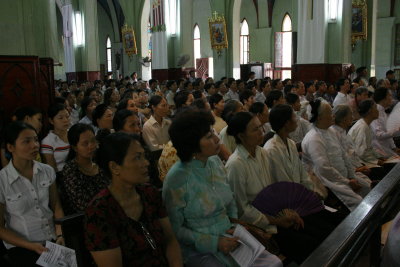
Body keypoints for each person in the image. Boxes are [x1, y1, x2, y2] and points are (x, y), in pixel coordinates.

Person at [163, 110, 281, 267]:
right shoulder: (176, 179)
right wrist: (214, 242)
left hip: (229, 234)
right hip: (199, 247)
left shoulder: (214, 162)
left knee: (274, 263)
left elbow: (230, 200)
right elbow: (175, 230)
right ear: (191, 144)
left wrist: (233, 225)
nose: (217, 139)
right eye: (208, 137)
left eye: (213, 132)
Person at [225, 112, 335, 264]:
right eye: (255, 129)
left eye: (260, 127)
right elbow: (243, 210)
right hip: (262, 227)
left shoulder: (262, 153)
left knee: (325, 231)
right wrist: (277, 221)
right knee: (311, 245)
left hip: (277, 217)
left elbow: (274, 191)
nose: (261, 132)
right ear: (241, 135)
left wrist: (288, 213)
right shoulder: (235, 165)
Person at [84, 132, 183, 267]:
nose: (146, 163)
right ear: (114, 167)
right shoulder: (99, 211)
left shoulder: (149, 193)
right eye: (137, 158)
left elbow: (170, 241)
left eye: (143, 156)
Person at [0, 122, 64, 266]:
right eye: (26, 141)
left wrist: (60, 233)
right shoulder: (2, 180)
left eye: (35, 139)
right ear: (11, 147)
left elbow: (56, 206)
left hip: (52, 240)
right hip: (22, 247)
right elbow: (0, 228)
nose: (35, 145)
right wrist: (31, 246)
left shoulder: (47, 171)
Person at [302, 100, 370, 211]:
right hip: (329, 182)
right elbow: (324, 169)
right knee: (358, 203)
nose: (333, 116)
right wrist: (347, 182)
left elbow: (344, 156)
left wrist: (352, 176)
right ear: (319, 118)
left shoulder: (331, 131)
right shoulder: (314, 138)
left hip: (345, 177)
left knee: (367, 187)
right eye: (329, 113)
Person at [57, 123, 109, 215]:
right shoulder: (71, 169)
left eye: (93, 141)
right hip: (87, 218)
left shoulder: (100, 163)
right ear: (75, 147)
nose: (91, 146)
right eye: (85, 144)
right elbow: (81, 205)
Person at [263, 104, 314, 191]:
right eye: (294, 117)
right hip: (285, 198)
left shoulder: (290, 143)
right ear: (286, 123)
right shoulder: (271, 150)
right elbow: (283, 182)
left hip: (299, 193)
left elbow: (301, 173)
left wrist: (310, 190)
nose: (297, 120)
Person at [370, 87, 400, 158]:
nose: (392, 98)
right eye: (389, 96)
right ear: (383, 98)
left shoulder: (382, 111)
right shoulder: (376, 112)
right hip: (379, 149)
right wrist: (397, 130)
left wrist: (394, 147)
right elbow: (378, 135)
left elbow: (388, 132)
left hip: (386, 147)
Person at [41, 104, 70, 172]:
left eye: (67, 116)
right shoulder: (48, 141)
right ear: (51, 121)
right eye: (60, 118)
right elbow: (51, 169)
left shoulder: (74, 134)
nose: (65, 120)